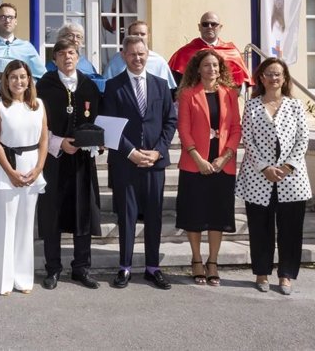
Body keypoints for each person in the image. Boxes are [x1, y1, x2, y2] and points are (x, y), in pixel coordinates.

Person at [102, 35, 176, 290]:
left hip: (154, 163)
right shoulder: (113, 86)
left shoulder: (161, 84)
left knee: (154, 216)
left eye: (141, 54)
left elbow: (170, 121)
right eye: (132, 54)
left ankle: (153, 267)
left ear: (148, 54)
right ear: (124, 56)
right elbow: (108, 125)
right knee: (127, 217)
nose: (137, 58)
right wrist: (130, 152)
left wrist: (157, 151)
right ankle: (124, 267)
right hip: (125, 162)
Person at [236, 57, 312, 295]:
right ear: (261, 78)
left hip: (292, 179)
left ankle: (286, 274)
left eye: (278, 74)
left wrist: (288, 166)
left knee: (290, 229)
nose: (273, 78)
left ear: (285, 78)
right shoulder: (252, 106)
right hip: (259, 177)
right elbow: (248, 139)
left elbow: (303, 139)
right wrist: (264, 167)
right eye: (269, 74)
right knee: (260, 227)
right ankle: (261, 272)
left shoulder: (295, 106)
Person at [37, 37, 102, 290]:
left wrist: (95, 141)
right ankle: (53, 268)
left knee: (82, 212)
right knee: (52, 213)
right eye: (62, 53)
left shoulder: (89, 86)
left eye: (72, 53)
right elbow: (38, 125)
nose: (67, 57)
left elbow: (98, 120)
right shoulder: (44, 87)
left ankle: (81, 268)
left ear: (78, 56)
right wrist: (59, 143)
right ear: (54, 60)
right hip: (54, 159)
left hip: (83, 162)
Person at [175, 49, 241, 286]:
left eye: (215, 65)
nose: (211, 69)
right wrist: (199, 159)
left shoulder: (230, 94)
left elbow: (236, 128)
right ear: (198, 68)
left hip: (223, 164)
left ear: (220, 69)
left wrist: (224, 158)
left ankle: (212, 261)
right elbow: (183, 129)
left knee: (217, 216)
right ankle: (196, 260)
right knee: (194, 215)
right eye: (206, 65)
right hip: (195, 165)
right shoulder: (187, 94)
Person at [0, 60, 48, 295]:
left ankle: (23, 279)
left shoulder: (38, 105)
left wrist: (38, 168)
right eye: (13, 77)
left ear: (29, 79)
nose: (18, 81)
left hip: (32, 167)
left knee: (25, 226)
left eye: (23, 77)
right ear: (6, 80)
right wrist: (10, 172)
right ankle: (2, 281)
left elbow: (44, 139)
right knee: (4, 226)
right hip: (5, 168)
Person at [168, 11, 252, 88]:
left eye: (213, 24)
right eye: (205, 24)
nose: (209, 27)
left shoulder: (232, 52)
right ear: (199, 27)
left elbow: (240, 83)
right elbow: (176, 82)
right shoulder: (185, 52)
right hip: (194, 99)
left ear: (220, 27)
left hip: (225, 100)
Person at [0, 3, 46, 80]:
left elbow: (42, 76)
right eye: (3, 17)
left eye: (11, 17)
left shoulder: (27, 48)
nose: (7, 20)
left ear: (15, 21)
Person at [103, 20, 177, 91]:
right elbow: (106, 88)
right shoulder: (116, 61)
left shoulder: (159, 62)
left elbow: (168, 92)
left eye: (142, 34)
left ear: (149, 37)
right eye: (135, 34)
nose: (139, 37)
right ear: (129, 36)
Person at [45, 22, 107, 92]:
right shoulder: (53, 64)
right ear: (61, 38)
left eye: (78, 36)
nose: (75, 39)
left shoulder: (86, 63)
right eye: (70, 35)